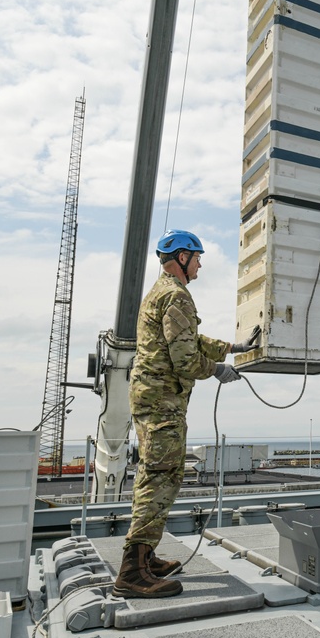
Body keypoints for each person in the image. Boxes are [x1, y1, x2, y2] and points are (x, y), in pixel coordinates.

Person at [113, 229, 260, 599]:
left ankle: (145, 557)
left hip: (156, 399)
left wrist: (232, 347)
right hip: (162, 401)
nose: (199, 265)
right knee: (160, 478)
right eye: (196, 258)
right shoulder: (176, 296)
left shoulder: (164, 293)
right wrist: (217, 369)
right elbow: (185, 357)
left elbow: (189, 340)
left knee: (162, 474)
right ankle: (132, 573)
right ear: (181, 258)